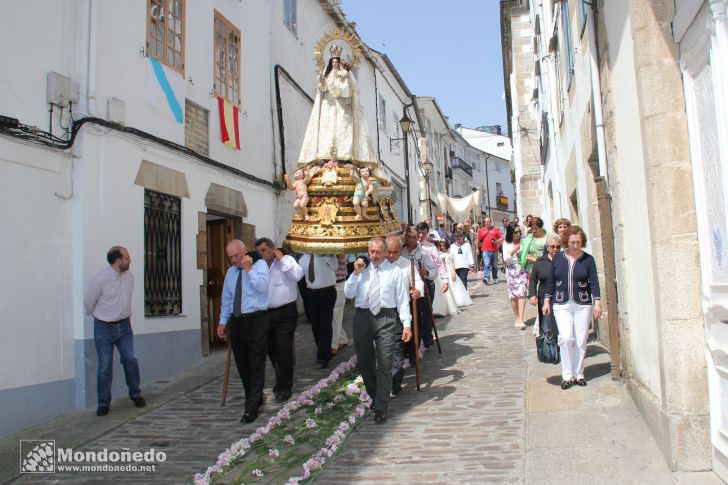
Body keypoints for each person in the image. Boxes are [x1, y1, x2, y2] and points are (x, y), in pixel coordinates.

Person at [345, 237, 412, 423]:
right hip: (362, 317)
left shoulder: (394, 272)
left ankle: (381, 406)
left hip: (386, 317)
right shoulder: (361, 271)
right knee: (365, 361)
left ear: (384, 252)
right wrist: (355, 274)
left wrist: (406, 324)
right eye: (371, 251)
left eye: (377, 252)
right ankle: (375, 395)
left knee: (385, 361)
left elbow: (402, 299)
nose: (373, 256)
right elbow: (348, 294)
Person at [84, 246, 145, 417]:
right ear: (118, 261)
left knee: (130, 360)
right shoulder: (100, 279)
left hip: (124, 326)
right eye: (127, 257)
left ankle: (136, 394)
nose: (130, 260)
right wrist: (100, 315)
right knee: (105, 367)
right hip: (104, 327)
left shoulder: (129, 277)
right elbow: (89, 303)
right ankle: (103, 403)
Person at [216, 240, 270, 423]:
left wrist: (249, 270)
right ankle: (254, 396)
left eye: (236, 255)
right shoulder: (231, 273)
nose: (233, 260)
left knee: (256, 364)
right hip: (238, 322)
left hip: (257, 319)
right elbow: (227, 300)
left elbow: (262, 287)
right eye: (230, 257)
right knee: (243, 365)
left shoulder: (260, 265)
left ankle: (251, 408)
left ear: (245, 251)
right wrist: (223, 321)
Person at [543, 226, 602, 389]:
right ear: (566, 242)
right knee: (566, 338)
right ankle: (567, 375)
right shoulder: (558, 259)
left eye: (578, 242)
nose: (575, 245)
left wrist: (597, 303)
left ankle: (579, 373)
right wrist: (547, 301)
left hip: (583, 304)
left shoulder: (588, 260)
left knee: (581, 339)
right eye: (572, 242)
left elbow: (594, 283)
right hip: (561, 304)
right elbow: (551, 282)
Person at [297, 48, 377, 166]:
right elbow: (323, 89)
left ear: (339, 63)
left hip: (341, 106)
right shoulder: (327, 74)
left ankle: (344, 156)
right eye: (332, 62)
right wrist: (321, 80)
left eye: (336, 62)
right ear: (330, 63)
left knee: (343, 127)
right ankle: (326, 157)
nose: (334, 64)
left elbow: (349, 91)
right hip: (328, 106)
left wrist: (343, 82)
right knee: (327, 128)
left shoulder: (345, 75)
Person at [255, 238, 303, 403]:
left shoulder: (287, 260)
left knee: (283, 348)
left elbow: (298, 275)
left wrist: (281, 259)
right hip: (265, 314)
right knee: (271, 349)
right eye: (259, 251)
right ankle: (280, 380)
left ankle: (286, 387)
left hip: (286, 312)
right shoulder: (259, 266)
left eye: (264, 250)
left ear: (272, 248)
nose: (261, 254)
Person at [385, 236, 423, 396]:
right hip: (382, 311)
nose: (391, 255)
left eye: (395, 252)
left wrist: (417, 290)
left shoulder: (408, 265)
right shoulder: (379, 266)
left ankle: (395, 380)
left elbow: (418, 281)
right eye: (389, 252)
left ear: (400, 251)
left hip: (401, 310)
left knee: (397, 348)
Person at [299, 253, 338, 368]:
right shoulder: (304, 257)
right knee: (315, 325)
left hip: (327, 292)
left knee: (325, 324)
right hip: (311, 293)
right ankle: (324, 352)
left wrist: (325, 255)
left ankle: (323, 356)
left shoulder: (328, 254)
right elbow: (297, 274)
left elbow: (335, 266)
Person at [402, 225, 438, 350]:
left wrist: (426, 272)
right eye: (409, 237)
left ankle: (427, 339)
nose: (412, 240)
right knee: (411, 316)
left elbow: (434, 271)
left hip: (423, 285)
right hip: (406, 288)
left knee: (425, 314)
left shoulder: (423, 253)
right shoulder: (401, 252)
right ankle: (411, 344)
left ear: (418, 238)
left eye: (414, 237)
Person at [529, 234, 562, 337]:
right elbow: (533, 280)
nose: (555, 249)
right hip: (544, 298)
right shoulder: (540, 262)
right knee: (547, 325)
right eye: (552, 246)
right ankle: (548, 348)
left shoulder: (564, 260)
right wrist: (532, 295)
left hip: (561, 297)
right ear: (547, 248)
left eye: (558, 247)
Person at [503, 224, 529, 330]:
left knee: (522, 293)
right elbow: (506, 259)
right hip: (511, 271)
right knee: (513, 296)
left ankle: (521, 319)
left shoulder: (524, 242)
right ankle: (516, 318)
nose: (518, 234)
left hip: (522, 269)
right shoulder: (506, 244)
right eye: (515, 232)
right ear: (510, 233)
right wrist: (514, 250)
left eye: (519, 232)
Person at [432, 239, 460, 317]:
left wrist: (453, 272)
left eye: (443, 245)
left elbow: (449, 263)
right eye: (440, 246)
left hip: (444, 271)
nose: (441, 247)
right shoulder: (438, 254)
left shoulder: (448, 254)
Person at [331, 254, 350, 356]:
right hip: (329, 285)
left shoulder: (341, 249)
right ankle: (342, 339)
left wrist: (336, 256)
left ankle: (333, 345)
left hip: (339, 284)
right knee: (335, 315)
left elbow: (344, 259)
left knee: (336, 314)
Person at [477, 217, 503, 285]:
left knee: (494, 265)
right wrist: (477, 248)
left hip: (494, 250)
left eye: (488, 221)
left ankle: (495, 277)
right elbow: (478, 240)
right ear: (484, 222)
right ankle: (486, 278)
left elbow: (501, 238)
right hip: (485, 250)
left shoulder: (495, 230)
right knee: (487, 264)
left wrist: (496, 241)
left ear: (491, 222)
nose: (487, 223)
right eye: (485, 222)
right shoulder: (481, 230)